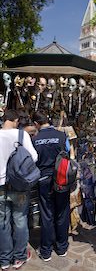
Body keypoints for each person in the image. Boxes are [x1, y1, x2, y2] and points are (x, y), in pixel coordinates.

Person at [0, 109, 38, 270]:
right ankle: (19, 257)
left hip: (0, 186)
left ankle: (4, 259)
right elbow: (33, 157)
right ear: (15, 120)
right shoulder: (22, 136)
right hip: (19, 186)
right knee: (20, 221)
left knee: (2, 223)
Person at [31, 110, 70, 261]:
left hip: (44, 180)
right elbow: (67, 152)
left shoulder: (35, 139)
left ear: (36, 124)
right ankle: (61, 247)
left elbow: (33, 159)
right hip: (61, 180)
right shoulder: (62, 135)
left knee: (47, 215)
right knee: (62, 212)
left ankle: (46, 251)